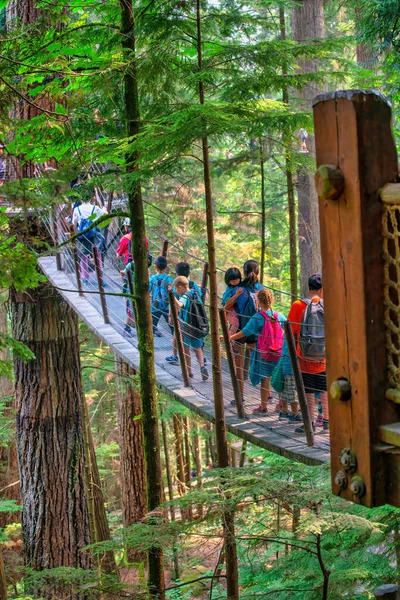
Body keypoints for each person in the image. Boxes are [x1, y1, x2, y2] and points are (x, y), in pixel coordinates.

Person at [229, 289, 285, 413]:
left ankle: (263, 406)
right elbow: (287, 327)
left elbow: (245, 332)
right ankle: (281, 404)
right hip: (278, 352)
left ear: (259, 301)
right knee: (279, 377)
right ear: (272, 300)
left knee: (265, 378)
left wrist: (230, 337)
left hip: (264, 353)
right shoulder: (279, 315)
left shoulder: (258, 317)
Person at [287, 272, 329, 433]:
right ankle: (327, 421)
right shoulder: (326, 305)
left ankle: (309, 422)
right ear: (322, 289)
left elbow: (291, 331)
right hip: (324, 355)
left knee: (308, 389)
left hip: (304, 355)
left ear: (308, 287)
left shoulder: (298, 305)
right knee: (324, 387)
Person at [222, 260, 264, 400]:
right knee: (259, 362)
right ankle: (267, 396)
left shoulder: (237, 289)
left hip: (240, 331)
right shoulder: (261, 289)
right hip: (256, 330)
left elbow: (225, 307)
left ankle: (240, 397)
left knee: (238, 366)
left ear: (244, 273)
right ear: (257, 272)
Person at [172, 276, 209, 381]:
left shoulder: (185, 296)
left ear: (180, 287)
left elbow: (180, 304)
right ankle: (202, 366)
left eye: (176, 288)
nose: (176, 291)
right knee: (198, 348)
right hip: (197, 325)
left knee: (185, 348)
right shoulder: (195, 293)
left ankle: (189, 372)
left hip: (186, 325)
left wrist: (172, 296)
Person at [166, 262, 202, 364]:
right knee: (197, 341)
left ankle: (175, 355)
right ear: (189, 273)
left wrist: (171, 316)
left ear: (177, 274)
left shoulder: (177, 285)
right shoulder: (193, 284)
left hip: (183, 317)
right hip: (196, 317)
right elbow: (200, 297)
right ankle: (201, 361)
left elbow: (174, 303)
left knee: (177, 336)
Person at [72, 198, 107, 284]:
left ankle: (84, 277)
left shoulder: (77, 209)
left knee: (83, 256)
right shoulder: (95, 208)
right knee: (97, 256)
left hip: (83, 235)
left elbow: (74, 222)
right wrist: (104, 210)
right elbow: (105, 215)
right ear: (91, 198)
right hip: (95, 234)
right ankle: (100, 279)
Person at [149, 256, 174, 337]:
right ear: (166, 267)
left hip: (154, 306)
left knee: (151, 325)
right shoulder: (169, 279)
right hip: (167, 307)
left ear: (155, 267)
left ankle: (149, 342)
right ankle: (177, 342)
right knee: (172, 326)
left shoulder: (152, 279)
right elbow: (172, 291)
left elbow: (148, 290)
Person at [222, 267, 242, 336]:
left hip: (235, 308)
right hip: (229, 308)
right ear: (228, 281)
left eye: (237, 279)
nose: (235, 282)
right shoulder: (230, 289)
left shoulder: (240, 286)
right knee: (236, 323)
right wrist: (237, 295)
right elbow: (227, 302)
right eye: (233, 281)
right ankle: (229, 337)